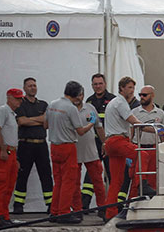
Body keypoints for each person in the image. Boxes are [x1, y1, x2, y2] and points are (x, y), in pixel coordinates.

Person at [103, 76, 155, 220]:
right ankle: (141, 185)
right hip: (118, 140)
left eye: (133, 88)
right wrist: (156, 130)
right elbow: (135, 123)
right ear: (122, 88)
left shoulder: (114, 102)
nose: (132, 91)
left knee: (116, 181)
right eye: (129, 88)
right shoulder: (121, 102)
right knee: (143, 155)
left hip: (112, 142)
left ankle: (110, 213)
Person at [45, 81, 95, 223]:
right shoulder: (71, 108)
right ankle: (64, 212)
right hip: (67, 147)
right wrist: (91, 123)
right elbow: (80, 131)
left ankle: (54, 212)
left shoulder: (52, 104)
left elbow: (45, 124)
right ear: (76, 94)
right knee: (69, 182)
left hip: (54, 146)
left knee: (58, 181)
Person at [13, 77, 53, 213]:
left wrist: (31, 120)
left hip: (41, 145)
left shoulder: (43, 104)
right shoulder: (20, 104)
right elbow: (21, 122)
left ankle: (50, 204)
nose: (32, 88)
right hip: (25, 145)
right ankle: (18, 205)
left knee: (46, 175)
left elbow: (47, 122)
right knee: (22, 175)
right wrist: (39, 119)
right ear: (24, 88)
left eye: (34, 85)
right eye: (29, 86)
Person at [0, 89, 24, 228]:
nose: (19, 101)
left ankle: (4, 215)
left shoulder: (12, 114)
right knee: (2, 184)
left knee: (9, 185)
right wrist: (3, 148)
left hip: (11, 152)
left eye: (20, 99)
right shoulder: (3, 111)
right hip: (4, 151)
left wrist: (14, 156)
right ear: (9, 98)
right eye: (16, 98)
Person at [81, 73, 114, 208]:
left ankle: (114, 204)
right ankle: (85, 203)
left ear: (105, 84)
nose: (98, 86)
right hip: (93, 143)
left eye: (100, 83)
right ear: (92, 85)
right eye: (95, 84)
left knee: (111, 172)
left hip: (108, 141)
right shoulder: (89, 102)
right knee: (91, 173)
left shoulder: (113, 100)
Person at [73, 95, 106, 219]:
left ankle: (102, 208)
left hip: (91, 151)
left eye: (79, 94)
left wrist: (104, 143)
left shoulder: (90, 108)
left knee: (98, 180)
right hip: (74, 151)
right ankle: (77, 209)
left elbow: (99, 127)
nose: (77, 97)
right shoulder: (70, 109)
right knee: (75, 182)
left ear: (82, 95)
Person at [131, 85, 164, 190]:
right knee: (137, 176)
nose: (142, 97)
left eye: (144, 95)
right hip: (139, 148)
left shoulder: (160, 113)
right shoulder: (134, 112)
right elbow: (131, 131)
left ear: (152, 95)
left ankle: (151, 199)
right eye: (140, 95)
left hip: (153, 148)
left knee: (152, 177)